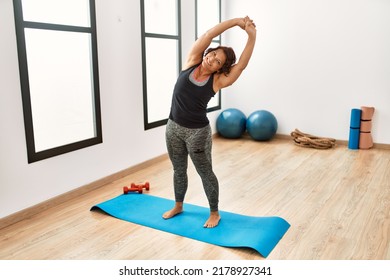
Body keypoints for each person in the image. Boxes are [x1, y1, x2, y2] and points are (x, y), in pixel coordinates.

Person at [163, 16, 257, 228]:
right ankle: (178, 205)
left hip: (197, 133)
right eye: (213, 54)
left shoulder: (217, 81)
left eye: (218, 61)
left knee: (205, 172)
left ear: (219, 69)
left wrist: (252, 36)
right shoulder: (191, 61)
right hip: (173, 128)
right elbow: (208, 35)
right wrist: (235, 22)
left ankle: (214, 212)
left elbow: (241, 66)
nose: (212, 59)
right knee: (178, 170)